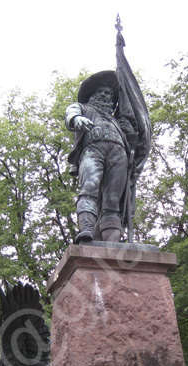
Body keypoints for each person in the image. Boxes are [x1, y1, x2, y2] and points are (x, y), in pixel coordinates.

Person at [65, 70, 138, 244]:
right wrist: (76, 119)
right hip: (93, 150)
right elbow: (71, 113)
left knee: (113, 200)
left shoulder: (116, 120)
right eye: (101, 92)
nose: (106, 96)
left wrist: (129, 131)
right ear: (93, 95)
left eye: (109, 93)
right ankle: (87, 230)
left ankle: (112, 243)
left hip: (118, 155)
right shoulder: (84, 109)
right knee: (89, 188)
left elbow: (133, 140)